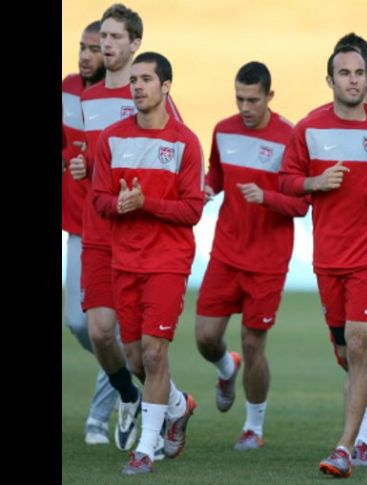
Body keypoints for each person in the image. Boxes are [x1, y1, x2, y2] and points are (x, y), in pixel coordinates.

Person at [279, 45, 367, 478]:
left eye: (359, 72)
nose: (353, 80)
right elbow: (286, 179)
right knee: (347, 353)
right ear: (330, 80)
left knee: (361, 343)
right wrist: (315, 182)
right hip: (329, 257)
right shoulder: (309, 127)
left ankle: (344, 447)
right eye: (344, 73)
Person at [68, 3, 181, 459]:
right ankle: (132, 396)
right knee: (94, 330)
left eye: (115, 39)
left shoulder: (152, 95)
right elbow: (88, 158)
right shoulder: (88, 99)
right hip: (97, 226)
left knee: (142, 350)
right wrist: (78, 165)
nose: (106, 46)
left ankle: (159, 408)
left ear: (135, 45)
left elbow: (174, 151)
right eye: (103, 39)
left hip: (138, 235)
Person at [92, 51, 203, 475]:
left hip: (168, 262)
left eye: (145, 79)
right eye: (133, 80)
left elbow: (193, 210)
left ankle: (146, 448)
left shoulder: (185, 142)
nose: (136, 86)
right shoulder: (112, 139)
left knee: (156, 354)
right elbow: (99, 200)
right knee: (137, 359)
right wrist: (119, 205)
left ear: (166, 87)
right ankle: (177, 405)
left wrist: (146, 203)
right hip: (125, 261)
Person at [194, 61, 309, 451]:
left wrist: (268, 198)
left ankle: (253, 428)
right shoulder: (223, 130)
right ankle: (227, 369)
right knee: (206, 338)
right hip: (226, 253)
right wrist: (209, 188)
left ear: (269, 97)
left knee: (252, 341)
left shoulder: (290, 137)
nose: (245, 107)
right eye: (240, 98)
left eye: (253, 100)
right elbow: (217, 173)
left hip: (268, 261)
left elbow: (301, 203)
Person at [61, 19, 118, 446]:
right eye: (82, 47)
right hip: (78, 224)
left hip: (118, 224)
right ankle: (120, 368)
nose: (85, 56)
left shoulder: (129, 95)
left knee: (101, 327)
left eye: (94, 48)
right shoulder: (67, 88)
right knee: (79, 324)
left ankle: (101, 416)